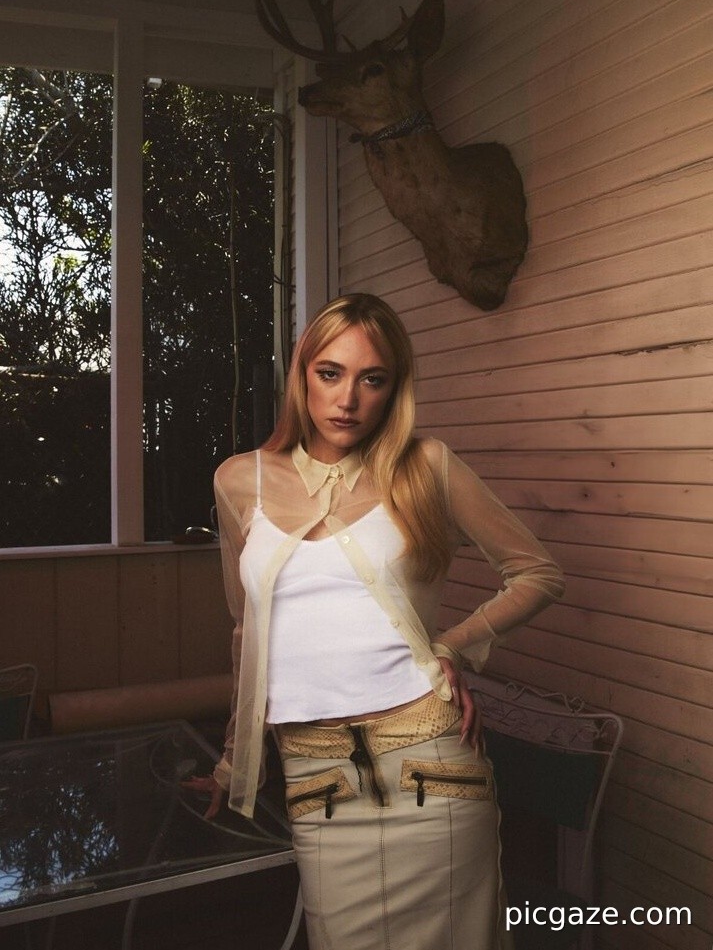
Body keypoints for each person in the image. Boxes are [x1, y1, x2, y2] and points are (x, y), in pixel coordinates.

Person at [188, 293, 564, 950]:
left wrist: (452, 645)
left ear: (394, 388)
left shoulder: (426, 465)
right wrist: (230, 762)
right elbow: (247, 631)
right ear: (302, 375)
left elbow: (536, 572)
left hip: (433, 765)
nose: (347, 399)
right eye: (330, 373)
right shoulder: (239, 480)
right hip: (317, 775)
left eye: (372, 378)